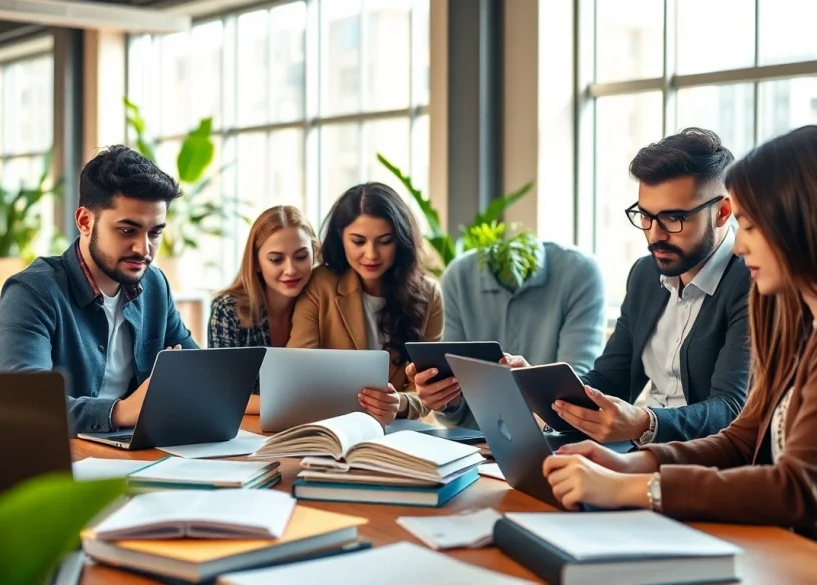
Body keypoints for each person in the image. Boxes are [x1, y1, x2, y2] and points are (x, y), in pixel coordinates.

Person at [543, 125, 817, 576]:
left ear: (807, 225)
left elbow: (800, 489)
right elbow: (743, 439)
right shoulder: (794, 314)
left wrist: (633, 490)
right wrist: (629, 464)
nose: (740, 243)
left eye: (751, 226)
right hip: (779, 554)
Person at [435, 128, 752, 445]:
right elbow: (610, 380)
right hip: (644, 457)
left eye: (673, 218)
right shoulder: (645, 276)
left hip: (707, 466)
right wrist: (537, 384)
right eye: (645, 216)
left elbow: (730, 409)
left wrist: (645, 422)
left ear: (722, 212)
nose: (655, 235)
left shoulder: (749, 282)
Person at [0, 145, 198, 434]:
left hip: (138, 451)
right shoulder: (32, 291)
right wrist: (121, 412)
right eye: (128, 230)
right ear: (85, 222)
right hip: (63, 457)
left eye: (155, 233)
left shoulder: (154, 285)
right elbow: (21, 399)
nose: (144, 249)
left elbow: (199, 372)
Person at [288, 182, 443, 424]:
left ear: (400, 241)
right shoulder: (320, 285)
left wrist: (398, 403)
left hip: (400, 431)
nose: (371, 254)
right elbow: (297, 370)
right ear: (341, 238)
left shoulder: (429, 294)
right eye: (358, 241)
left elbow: (428, 392)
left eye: (384, 241)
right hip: (333, 423)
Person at [407, 239, 607, 414]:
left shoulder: (579, 272)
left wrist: (533, 384)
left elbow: (580, 385)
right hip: (471, 438)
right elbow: (452, 385)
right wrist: (443, 397)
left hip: (553, 433)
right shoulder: (459, 276)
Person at [208, 205, 320, 414]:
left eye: (301, 256)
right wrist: (299, 404)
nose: (291, 269)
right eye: (276, 259)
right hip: (247, 431)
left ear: (314, 252)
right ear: (257, 262)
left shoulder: (320, 302)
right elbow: (223, 394)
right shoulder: (228, 310)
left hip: (307, 424)